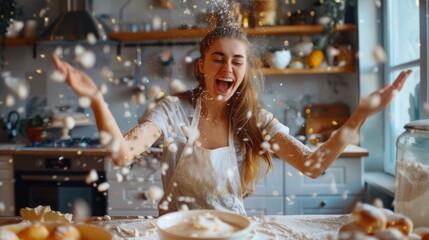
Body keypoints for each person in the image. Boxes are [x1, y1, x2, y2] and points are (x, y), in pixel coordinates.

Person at [51, 25, 411, 216]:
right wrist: (96, 98)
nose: (228, 68)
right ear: (202, 66)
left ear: (245, 69)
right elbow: (123, 153)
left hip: (232, 231)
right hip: (175, 233)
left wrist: (363, 112)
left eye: (237, 60)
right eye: (218, 58)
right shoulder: (172, 110)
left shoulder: (254, 120)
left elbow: (313, 165)